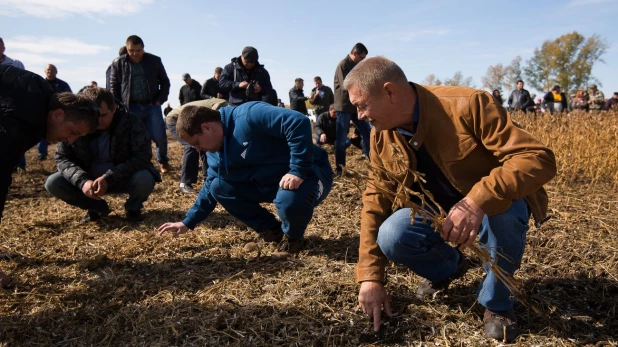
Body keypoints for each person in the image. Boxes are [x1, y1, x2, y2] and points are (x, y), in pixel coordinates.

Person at [347, 57, 556, 342]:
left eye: (361, 105)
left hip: (489, 206)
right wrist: (370, 277)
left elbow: (536, 159)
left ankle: (497, 304)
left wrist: (477, 201)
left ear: (390, 92)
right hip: (438, 212)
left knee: (505, 212)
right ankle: (449, 266)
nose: (359, 115)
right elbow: (375, 203)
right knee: (392, 234)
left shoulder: (469, 105)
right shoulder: (381, 136)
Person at [158, 102, 333, 253]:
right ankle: (271, 230)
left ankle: (293, 239)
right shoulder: (213, 153)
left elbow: (297, 122)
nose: (197, 150)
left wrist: (297, 170)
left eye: (196, 143)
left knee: (289, 197)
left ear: (206, 127)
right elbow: (210, 187)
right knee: (218, 186)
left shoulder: (249, 115)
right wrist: (187, 222)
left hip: (310, 174)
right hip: (271, 183)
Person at [0, 65, 100, 288]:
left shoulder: (40, 101)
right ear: (57, 115)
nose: (70, 141)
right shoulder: (20, 122)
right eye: (73, 132)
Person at [45, 88, 161, 223]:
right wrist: (83, 181)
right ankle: (96, 207)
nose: (98, 120)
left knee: (144, 178)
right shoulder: (77, 124)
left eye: (103, 115)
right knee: (53, 182)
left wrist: (108, 178)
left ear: (114, 109)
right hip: (89, 179)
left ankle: (133, 208)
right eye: (94, 115)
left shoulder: (131, 122)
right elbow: (62, 158)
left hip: (123, 177)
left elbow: (142, 156)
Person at [109, 35, 171, 173]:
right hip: (131, 106)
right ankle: (143, 163)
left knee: (159, 136)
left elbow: (165, 82)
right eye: (131, 51)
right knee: (138, 138)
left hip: (152, 105)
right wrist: (119, 105)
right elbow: (113, 86)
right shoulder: (118, 63)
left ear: (143, 48)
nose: (135, 54)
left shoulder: (154, 61)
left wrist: (160, 99)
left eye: (138, 50)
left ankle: (163, 160)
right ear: (127, 49)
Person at [165, 98, 228, 194]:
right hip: (175, 119)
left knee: (204, 146)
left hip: (187, 120)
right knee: (193, 145)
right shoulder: (222, 107)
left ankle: (207, 179)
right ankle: (185, 182)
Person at [333, 43, 371, 175]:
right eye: (361, 57)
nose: (362, 61)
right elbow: (346, 85)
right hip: (344, 106)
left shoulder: (357, 65)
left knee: (368, 133)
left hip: (356, 106)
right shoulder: (343, 65)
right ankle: (340, 169)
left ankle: (372, 161)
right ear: (355, 53)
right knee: (341, 139)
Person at [36, 64, 74, 162]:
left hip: (62, 114)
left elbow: (71, 97)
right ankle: (42, 154)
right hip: (44, 112)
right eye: (48, 70)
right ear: (45, 72)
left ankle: (63, 154)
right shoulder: (40, 84)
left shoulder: (63, 85)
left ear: (56, 72)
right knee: (43, 132)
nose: (50, 72)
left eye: (52, 70)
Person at [0, 37, 27, 171]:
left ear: (4, 48)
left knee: (16, 136)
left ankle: (20, 165)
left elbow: (24, 85)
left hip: (13, 107)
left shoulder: (15, 64)